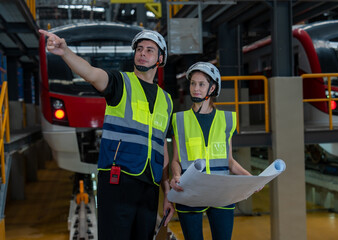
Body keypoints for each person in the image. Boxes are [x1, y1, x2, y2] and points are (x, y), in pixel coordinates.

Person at [39, 28, 174, 240]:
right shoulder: (121, 83)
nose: (142, 53)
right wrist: (65, 52)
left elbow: (161, 145)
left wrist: (167, 192)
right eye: (139, 49)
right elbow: (91, 73)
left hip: (149, 185)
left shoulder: (166, 100)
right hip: (118, 181)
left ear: (160, 58)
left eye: (150, 50)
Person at [169, 62, 253, 240]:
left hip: (220, 192)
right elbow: (176, 160)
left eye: (201, 84)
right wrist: (176, 175)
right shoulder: (179, 120)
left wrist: (251, 179)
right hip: (190, 191)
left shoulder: (227, 120)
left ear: (212, 87)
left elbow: (229, 161)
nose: (195, 88)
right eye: (193, 83)